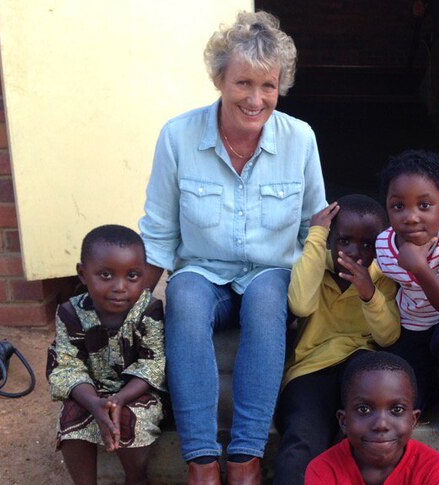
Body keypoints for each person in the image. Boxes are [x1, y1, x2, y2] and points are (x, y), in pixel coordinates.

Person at [137, 11, 326, 485]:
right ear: (219, 78)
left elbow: (313, 226)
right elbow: (159, 231)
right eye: (243, 83)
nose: (256, 99)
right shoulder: (178, 136)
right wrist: (136, 305)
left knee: (266, 299)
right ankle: (201, 459)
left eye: (269, 85)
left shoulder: (299, 138)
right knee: (184, 295)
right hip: (204, 271)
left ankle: (245, 455)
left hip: (269, 271)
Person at [273, 195, 401, 484]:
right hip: (312, 369)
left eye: (367, 244)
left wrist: (369, 294)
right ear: (330, 240)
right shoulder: (314, 264)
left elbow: (388, 336)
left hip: (362, 366)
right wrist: (316, 234)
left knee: (361, 439)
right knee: (303, 438)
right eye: (344, 241)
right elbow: (301, 306)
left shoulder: (384, 277)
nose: (355, 253)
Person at [374, 150, 439, 441]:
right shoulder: (384, 244)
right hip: (410, 330)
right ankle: (434, 383)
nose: (411, 217)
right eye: (398, 206)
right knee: (405, 404)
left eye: (424, 205)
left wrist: (419, 267)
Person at [47, 225, 165, 485]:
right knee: (71, 417)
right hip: (88, 392)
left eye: (132, 276)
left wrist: (119, 399)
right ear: (83, 274)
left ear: (144, 275)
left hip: (136, 393)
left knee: (132, 417)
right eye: (106, 275)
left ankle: (136, 479)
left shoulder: (148, 310)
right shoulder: (70, 313)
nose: (120, 287)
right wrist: (94, 403)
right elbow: (66, 366)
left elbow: (154, 364)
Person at [304, 351, 439, 485]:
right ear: (344, 421)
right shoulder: (323, 470)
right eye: (364, 409)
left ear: (413, 420)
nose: (381, 424)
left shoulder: (434, 469)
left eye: (397, 409)